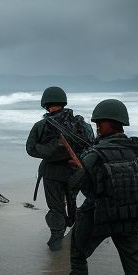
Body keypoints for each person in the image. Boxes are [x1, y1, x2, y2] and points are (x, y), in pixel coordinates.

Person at [65, 99, 138, 275]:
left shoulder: (95, 153)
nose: (97, 127)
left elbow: (75, 185)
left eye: (100, 123)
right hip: (131, 215)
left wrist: (77, 165)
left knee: (77, 253)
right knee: (133, 263)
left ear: (111, 123)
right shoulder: (137, 148)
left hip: (100, 214)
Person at [26, 86, 94, 251]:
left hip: (52, 173)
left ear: (45, 104)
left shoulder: (41, 125)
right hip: (76, 171)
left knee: (56, 206)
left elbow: (30, 149)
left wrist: (49, 151)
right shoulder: (81, 124)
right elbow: (92, 145)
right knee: (72, 202)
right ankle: (77, 230)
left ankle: (57, 236)